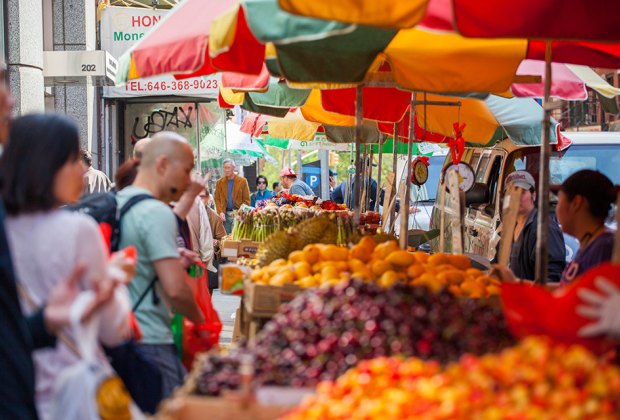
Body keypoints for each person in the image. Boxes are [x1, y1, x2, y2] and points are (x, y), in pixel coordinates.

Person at [1, 114, 131, 419]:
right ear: (47, 165)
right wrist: (116, 278)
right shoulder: (77, 230)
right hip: (73, 394)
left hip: (16, 389)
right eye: (73, 160)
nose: (82, 172)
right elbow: (114, 331)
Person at [116, 131, 205, 400]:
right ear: (163, 164)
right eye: (187, 170)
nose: (189, 179)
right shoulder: (157, 212)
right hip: (151, 339)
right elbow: (176, 290)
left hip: (121, 336)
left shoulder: (120, 200)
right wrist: (201, 322)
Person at [555, 170, 617, 284]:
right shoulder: (591, 243)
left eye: (559, 201)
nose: (556, 209)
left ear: (576, 203)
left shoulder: (603, 249)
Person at [504, 171, 566, 282]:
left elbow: (552, 278)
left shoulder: (545, 229)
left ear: (533, 195)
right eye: (511, 192)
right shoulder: (509, 227)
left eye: (522, 192)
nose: (516, 197)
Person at [214, 159, 250, 233]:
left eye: (228, 168)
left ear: (233, 168)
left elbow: (247, 201)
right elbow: (217, 199)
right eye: (225, 168)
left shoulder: (243, 181)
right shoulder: (219, 183)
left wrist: (242, 214)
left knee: (237, 238)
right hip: (225, 215)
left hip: (238, 214)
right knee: (225, 238)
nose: (226, 170)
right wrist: (220, 212)